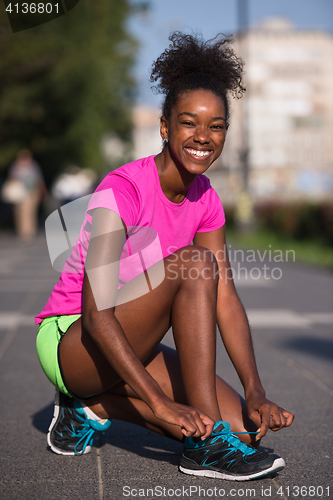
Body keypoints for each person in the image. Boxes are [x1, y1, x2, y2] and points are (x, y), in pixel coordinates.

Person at [35, 33, 294, 481]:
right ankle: (205, 447)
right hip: (72, 341)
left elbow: (225, 299)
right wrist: (160, 402)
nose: (202, 137)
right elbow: (97, 317)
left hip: (134, 337)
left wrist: (255, 389)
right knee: (194, 263)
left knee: (248, 432)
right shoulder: (124, 189)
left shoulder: (207, 198)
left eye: (216, 126)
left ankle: (96, 406)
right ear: (165, 127)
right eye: (189, 123)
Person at [7, 149, 46, 242]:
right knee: (20, 212)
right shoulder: (15, 166)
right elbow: (11, 178)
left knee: (30, 211)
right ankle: (22, 231)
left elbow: (38, 178)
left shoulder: (33, 165)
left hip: (32, 191)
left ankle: (29, 231)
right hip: (20, 192)